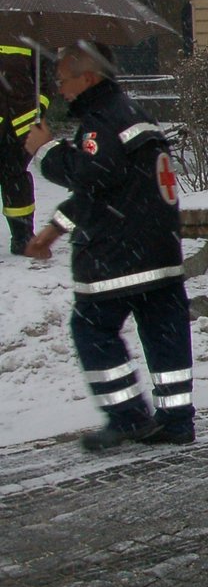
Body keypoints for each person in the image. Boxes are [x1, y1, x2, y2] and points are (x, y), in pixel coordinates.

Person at [22, 42, 193, 451]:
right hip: (158, 249)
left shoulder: (101, 122)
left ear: (89, 77)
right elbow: (108, 189)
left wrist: (44, 150)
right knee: (163, 332)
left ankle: (127, 417)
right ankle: (176, 421)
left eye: (64, 80)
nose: (60, 89)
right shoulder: (133, 114)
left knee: (92, 328)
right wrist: (56, 228)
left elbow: (91, 174)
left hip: (117, 253)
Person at [0, 44, 47, 255]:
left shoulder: (32, 35)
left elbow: (46, 80)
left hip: (21, 123)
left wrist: (40, 108)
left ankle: (22, 237)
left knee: (16, 178)